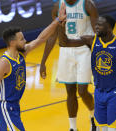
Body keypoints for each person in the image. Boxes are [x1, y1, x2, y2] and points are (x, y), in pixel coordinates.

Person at [0, 3, 66, 130]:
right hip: (5, 107)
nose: (25, 41)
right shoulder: (3, 63)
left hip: (14, 106)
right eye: (21, 39)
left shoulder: (21, 53)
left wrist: (58, 21)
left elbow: (41, 39)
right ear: (12, 42)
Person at [40, 0, 98, 131]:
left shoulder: (88, 4)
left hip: (84, 50)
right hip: (66, 52)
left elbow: (97, 33)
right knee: (70, 91)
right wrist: (43, 62)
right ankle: (73, 127)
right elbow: (53, 35)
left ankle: (94, 117)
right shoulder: (57, 7)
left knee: (82, 91)